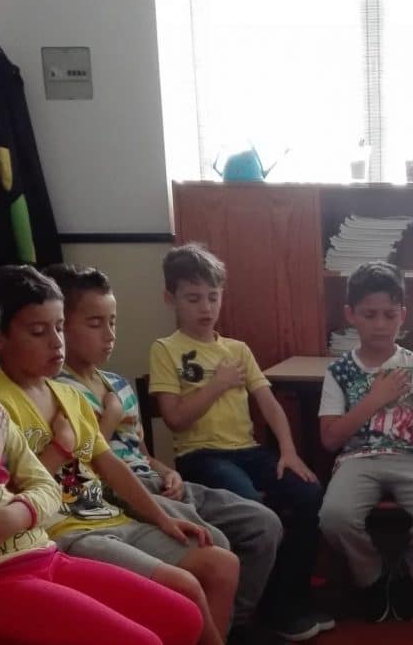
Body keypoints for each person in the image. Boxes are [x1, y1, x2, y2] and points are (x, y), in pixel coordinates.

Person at [45, 262, 285, 645]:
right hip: (115, 492)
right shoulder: (56, 390)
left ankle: (231, 625)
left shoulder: (117, 384)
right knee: (213, 545)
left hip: (156, 481)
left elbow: (139, 450)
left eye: (112, 322)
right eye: (95, 324)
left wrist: (165, 470)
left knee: (263, 524)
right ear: (61, 327)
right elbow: (79, 464)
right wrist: (109, 418)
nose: (109, 335)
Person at [0, 264, 236, 645]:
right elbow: (12, 495)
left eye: (59, 328)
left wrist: (162, 518)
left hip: (109, 517)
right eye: (39, 332)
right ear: (0, 337)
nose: (56, 343)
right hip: (64, 532)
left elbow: (108, 463)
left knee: (220, 563)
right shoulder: (2, 403)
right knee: (185, 587)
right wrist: (60, 448)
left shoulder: (69, 396)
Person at [149, 243, 330, 641]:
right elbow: (175, 418)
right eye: (193, 298)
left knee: (308, 492)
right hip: (201, 456)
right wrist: (216, 385)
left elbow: (270, 404)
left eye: (213, 297)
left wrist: (288, 451)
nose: (205, 307)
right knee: (252, 507)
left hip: (248, 452)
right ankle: (247, 614)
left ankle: (288, 599)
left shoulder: (237, 349)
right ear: (170, 298)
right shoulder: (166, 350)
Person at [318, 261, 413, 622]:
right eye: (370, 315)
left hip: (410, 457)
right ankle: (370, 576)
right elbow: (330, 439)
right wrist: (373, 400)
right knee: (334, 517)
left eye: (389, 315)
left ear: (402, 315)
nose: (380, 324)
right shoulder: (339, 372)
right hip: (357, 459)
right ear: (351, 315)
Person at [0, 401, 205, 645]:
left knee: (184, 618)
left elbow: (47, 486)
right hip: (5, 575)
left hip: (44, 555)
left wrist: (22, 513)